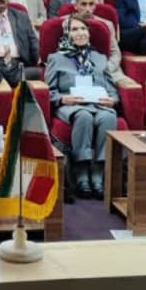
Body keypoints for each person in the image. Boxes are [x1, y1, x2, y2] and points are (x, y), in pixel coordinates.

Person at [45, 16, 119, 198]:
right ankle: (82, 174)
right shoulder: (56, 58)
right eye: (75, 29)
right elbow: (49, 90)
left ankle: (98, 174)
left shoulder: (100, 58)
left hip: (99, 104)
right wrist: (63, 99)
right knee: (84, 115)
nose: (80, 33)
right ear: (66, 34)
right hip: (71, 105)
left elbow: (111, 87)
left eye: (83, 29)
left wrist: (113, 100)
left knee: (109, 117)